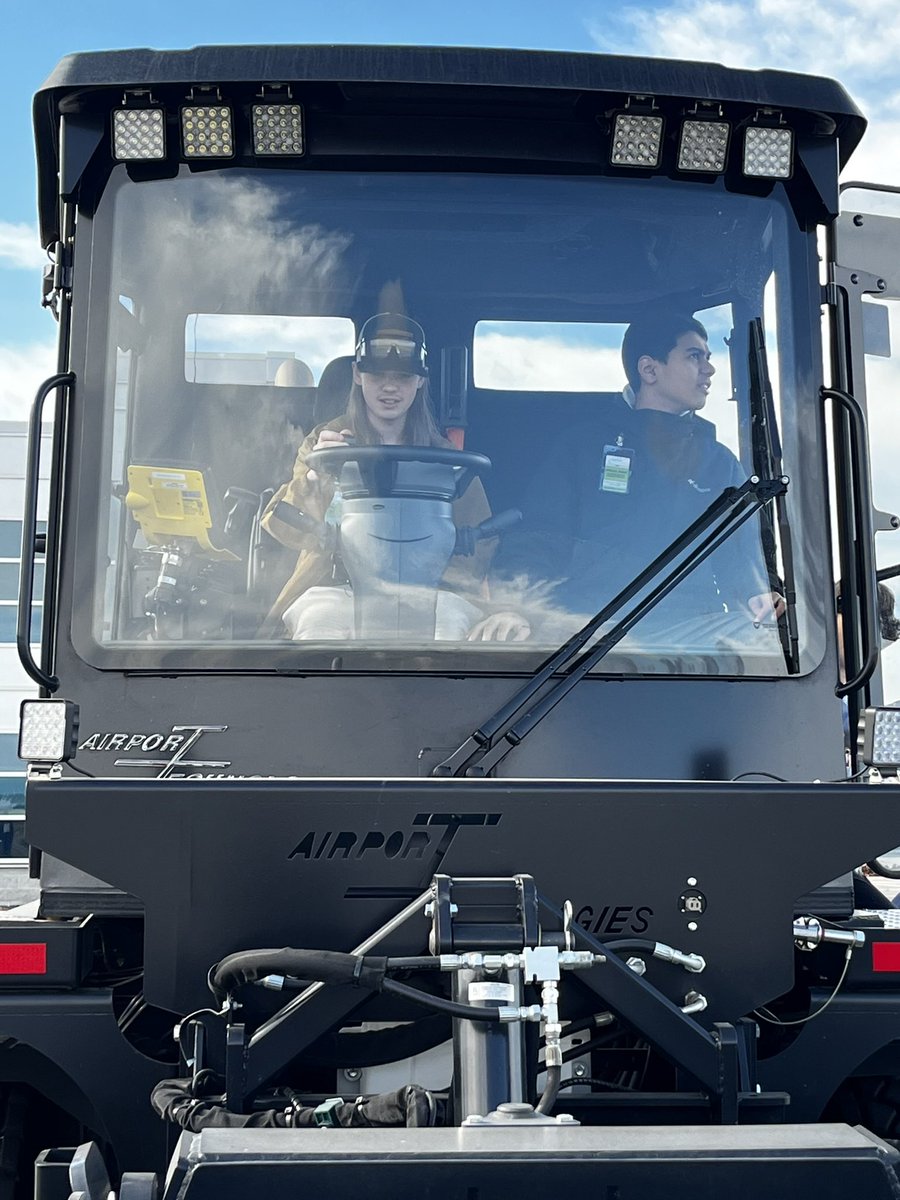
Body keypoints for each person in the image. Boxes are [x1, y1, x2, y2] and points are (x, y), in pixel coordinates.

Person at [494, 312, 783, 640]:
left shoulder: (720, 463)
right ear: (649, 369)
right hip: (583, 630)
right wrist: (513, 607)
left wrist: (764, 592)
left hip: (692, 634)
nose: (709, 369)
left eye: (708, 357)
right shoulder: (582, 447)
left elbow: (745, 556)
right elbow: (538, 536)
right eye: (694, 356)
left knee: (769, 641)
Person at [261, 313, 528, 641]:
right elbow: (283, 526)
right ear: (358, 375)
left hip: (429, 592)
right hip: (336, 586)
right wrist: (316, 478)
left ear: (420, 380)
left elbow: (481, 547)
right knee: (319, 630)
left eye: (403, 375)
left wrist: (432, 575)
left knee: (449, 632)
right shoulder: (324, 443)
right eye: (377, 374)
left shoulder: (449, 459)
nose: (389, 386)